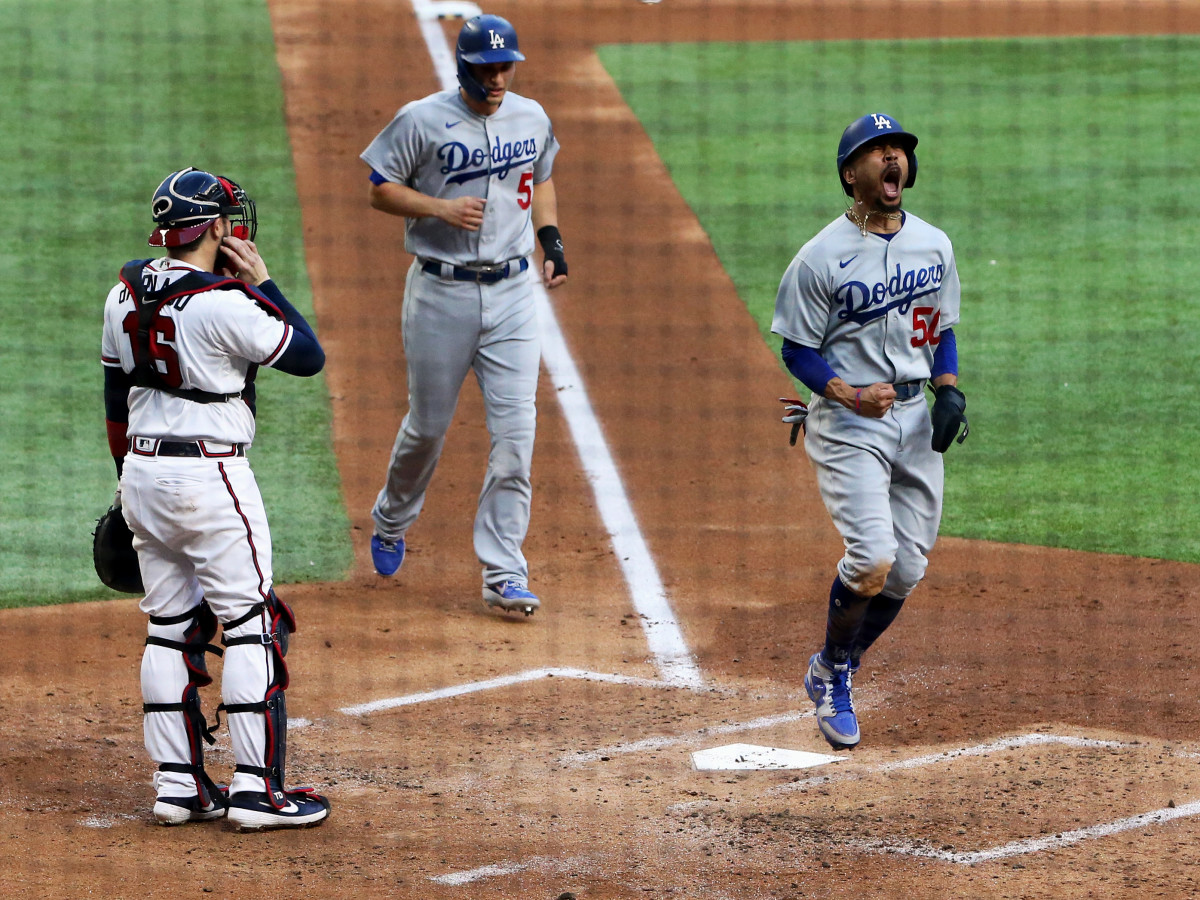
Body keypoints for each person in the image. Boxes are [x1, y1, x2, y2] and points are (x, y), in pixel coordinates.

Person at [101, 167, 332, 829]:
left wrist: (125, 483)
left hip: (142, 474)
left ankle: (179, 787)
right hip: (212, 479)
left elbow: (117, 399)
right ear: (218, 229)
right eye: (231, 218)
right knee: (254, 623)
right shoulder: (226, 303)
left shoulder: (121, 295)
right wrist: (262, 281)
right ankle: (259, 794)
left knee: (169, 627)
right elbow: (308, 356)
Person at [771, 113, 969, 750]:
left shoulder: (934, 244)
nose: (893, 160)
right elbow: (796, 350)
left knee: (907, 570)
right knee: (873, 557)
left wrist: (948, 390)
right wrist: (848, 393)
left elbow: (941, 330)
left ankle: (834, 666)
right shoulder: (819, 257)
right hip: (847, 424)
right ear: (850, 173)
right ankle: (834, 673)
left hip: (915, 422)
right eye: (877, 151)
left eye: (900, 151)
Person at [360, 13, 568, 616]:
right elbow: (379, 187)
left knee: (515, 439)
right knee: (427, 427)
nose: (499, 78)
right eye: (487, 69)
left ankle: (504, 571)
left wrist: (550, 240)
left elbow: (542, 177)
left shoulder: (531, 117)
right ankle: (391, 519)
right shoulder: (422, 118)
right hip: (440, 294)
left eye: (506, 66)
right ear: (465, 68)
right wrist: (438, 209)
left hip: (512, 296)